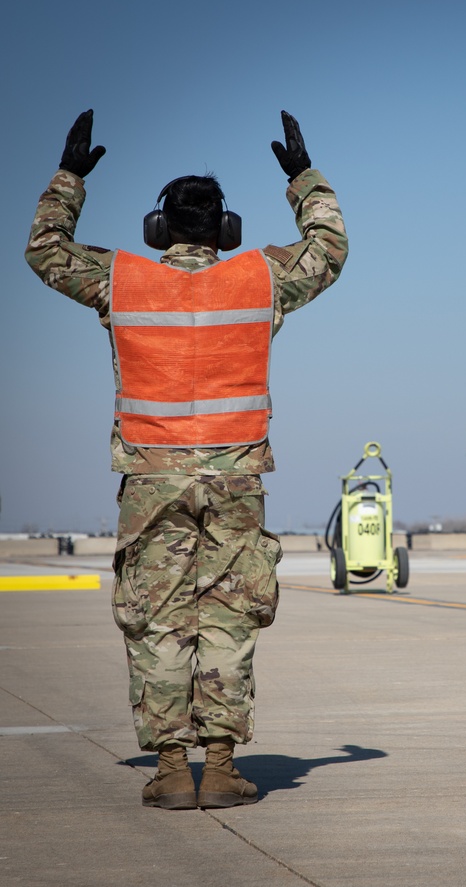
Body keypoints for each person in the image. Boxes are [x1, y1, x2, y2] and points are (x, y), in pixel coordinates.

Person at [25, 109, 348, 809]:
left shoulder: (124, 279)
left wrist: (69, 178)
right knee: (230, 615)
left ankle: (172, 768)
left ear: (157, 228)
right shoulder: (260, 279)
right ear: (225, 231)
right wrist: (303, 177)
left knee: (157, 617)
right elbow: (329, 246)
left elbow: (45, 250)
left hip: (152, 477)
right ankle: (223, 764)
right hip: (235, 476)